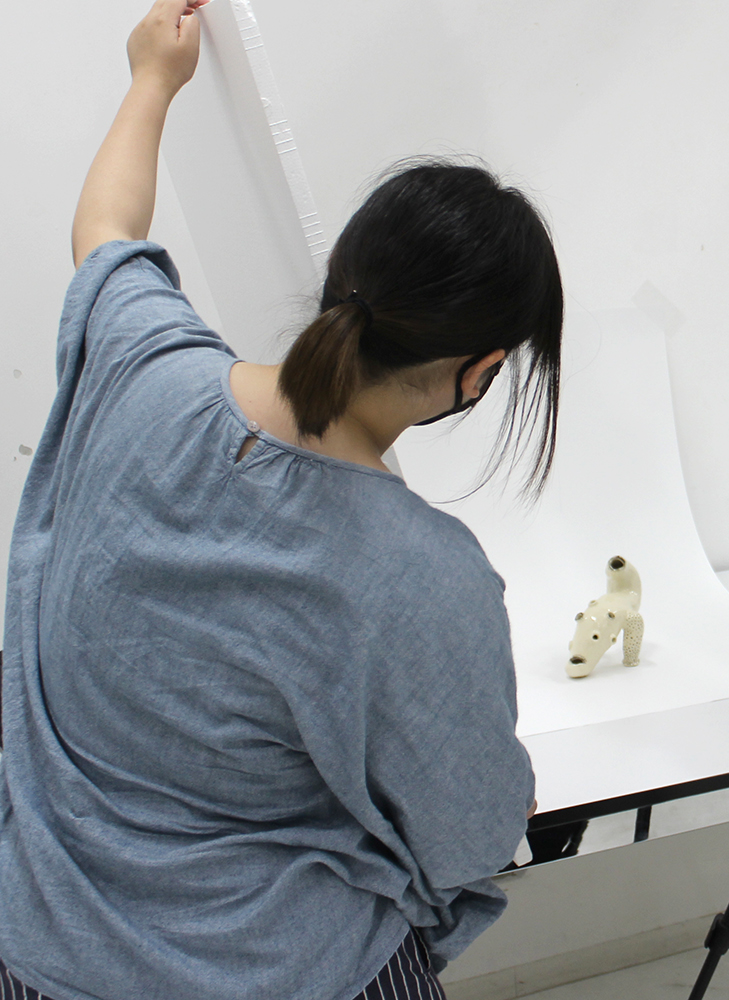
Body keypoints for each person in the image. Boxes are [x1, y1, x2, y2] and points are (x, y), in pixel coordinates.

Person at [0, 3, 562, 998]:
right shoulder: (424, 574)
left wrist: (152, 78)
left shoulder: (143, 365)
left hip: (42, 943)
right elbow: (473, 828)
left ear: (341, 273)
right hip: (279, 970)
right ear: (479, 372)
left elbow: (106, 233)